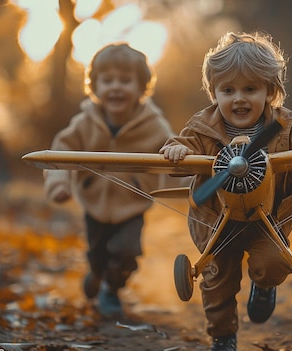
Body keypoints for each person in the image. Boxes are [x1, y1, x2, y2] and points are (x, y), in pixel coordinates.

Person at [159, 31, 292, 350]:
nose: (238, 98)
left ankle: (264, 287)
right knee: (217, 280)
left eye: (250, 89)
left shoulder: (284, 126)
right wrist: (175, 151)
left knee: (274, 264)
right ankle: (223, 337)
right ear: (214, 92)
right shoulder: (202, 129)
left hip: (265, 218)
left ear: (270, 91)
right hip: (216, 220)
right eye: (228, 90)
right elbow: (177, 153)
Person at [43, 43, 178, 319]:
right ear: (94, 86)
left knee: (126, 252)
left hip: (133, 204)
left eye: (126, 81)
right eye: (107, 81)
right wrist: (59, 184)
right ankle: (96, 273)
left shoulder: (153, 123)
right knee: (98, 252)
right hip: (94, 203)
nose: (116, 87)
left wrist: (177, 153)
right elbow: (60, 150)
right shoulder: (85, 122)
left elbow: (172, 147)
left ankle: (111, 289)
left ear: (142, 88)